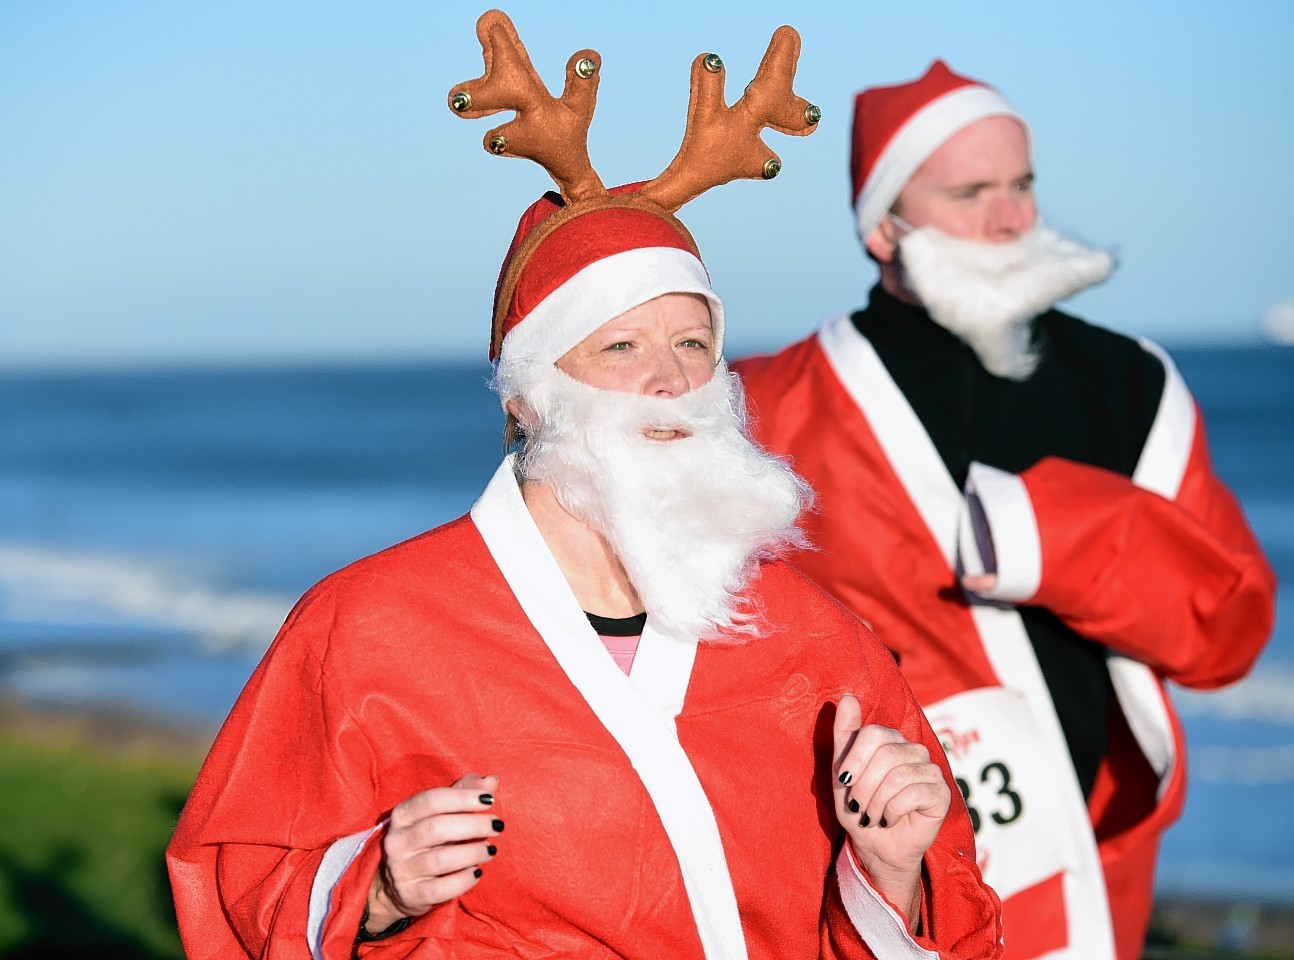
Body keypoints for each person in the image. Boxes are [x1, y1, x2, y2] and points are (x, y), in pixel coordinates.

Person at [166, 15, 1004, 959]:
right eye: (621, 344)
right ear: (527, 395)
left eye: (694, 343)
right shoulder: (367, 628)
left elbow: (948, 912)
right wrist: (377, 886)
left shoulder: (811, 637)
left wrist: (888, 870)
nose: (671, 378)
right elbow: (233, 879)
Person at [733, 61, 1277, 960]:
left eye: (1022, 184)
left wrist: (1052, 535)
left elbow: (1229, 628)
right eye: (970, 192)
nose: (1012, 218)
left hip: (1105, 852)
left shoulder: (1131, 386)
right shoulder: (769, 410)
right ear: (883, 228)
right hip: (877, 861)